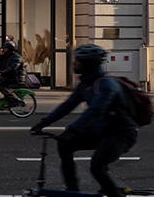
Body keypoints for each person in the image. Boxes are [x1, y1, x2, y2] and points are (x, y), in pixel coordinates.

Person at [33, 44, 137, 197]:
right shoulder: (85, 84)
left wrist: (72, 129)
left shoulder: (107, 84)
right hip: (101, 130)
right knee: (65, 144)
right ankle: (72, 189)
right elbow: (68, 105)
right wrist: (43, 122)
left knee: (97, 166)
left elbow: (95, 110)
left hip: (120, 133)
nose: (74, 63)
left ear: (89, 64)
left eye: (78, 61)